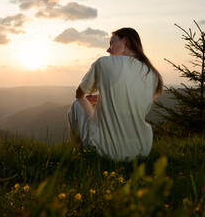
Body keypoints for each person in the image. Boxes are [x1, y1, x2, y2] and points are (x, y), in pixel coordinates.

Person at [67, 27, 163, 161]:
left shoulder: (104, 63)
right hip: (141, 150)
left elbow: (79, 93)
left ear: (126, 40)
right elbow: (129, 100)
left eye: (112, 43)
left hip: (105, 150)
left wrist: (89, 100)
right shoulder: (152, 74)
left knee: (77, 103)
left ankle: (81, 154)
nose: (108, 49)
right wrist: (103, 98)